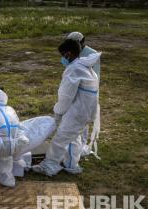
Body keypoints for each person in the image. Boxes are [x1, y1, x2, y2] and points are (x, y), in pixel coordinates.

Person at [32, 39, 101, 176]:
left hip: (77, 112)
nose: (62, 59)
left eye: (62, 55)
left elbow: (66, 96)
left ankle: (50, 165)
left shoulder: (74, 69)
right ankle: (71, 164)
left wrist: (58, 112)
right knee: (74, 137)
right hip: (86, 110)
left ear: (68, 54)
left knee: (61, 139)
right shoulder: (86, 66)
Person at [67, 31, 101, 157]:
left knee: (83, 118)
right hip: (74, 88)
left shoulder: (91, 54)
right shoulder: (72, 51)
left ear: (82, 41)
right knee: (73, 115)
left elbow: (93, 75)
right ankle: (74, 143)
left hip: (86, 90)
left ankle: (81, 145)